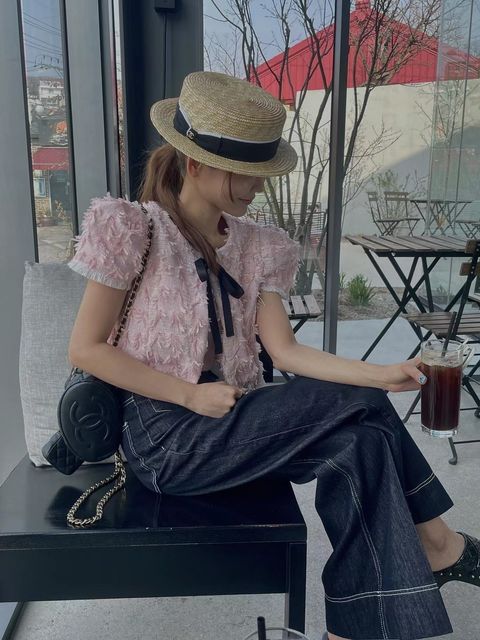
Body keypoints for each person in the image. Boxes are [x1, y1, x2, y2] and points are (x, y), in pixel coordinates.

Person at [67, 71, 479, 640]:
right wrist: (189, 393)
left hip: (234, 416)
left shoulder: (257, 245)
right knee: (357, 409)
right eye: (244, 171)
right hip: (164, 435)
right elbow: (85, 349)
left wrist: (384, 374)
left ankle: (352, 629)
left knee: (359, 445)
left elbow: (285, 350)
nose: (257, 186)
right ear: (195, 163)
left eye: (262, 172)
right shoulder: (134, 229)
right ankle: (439, 544)